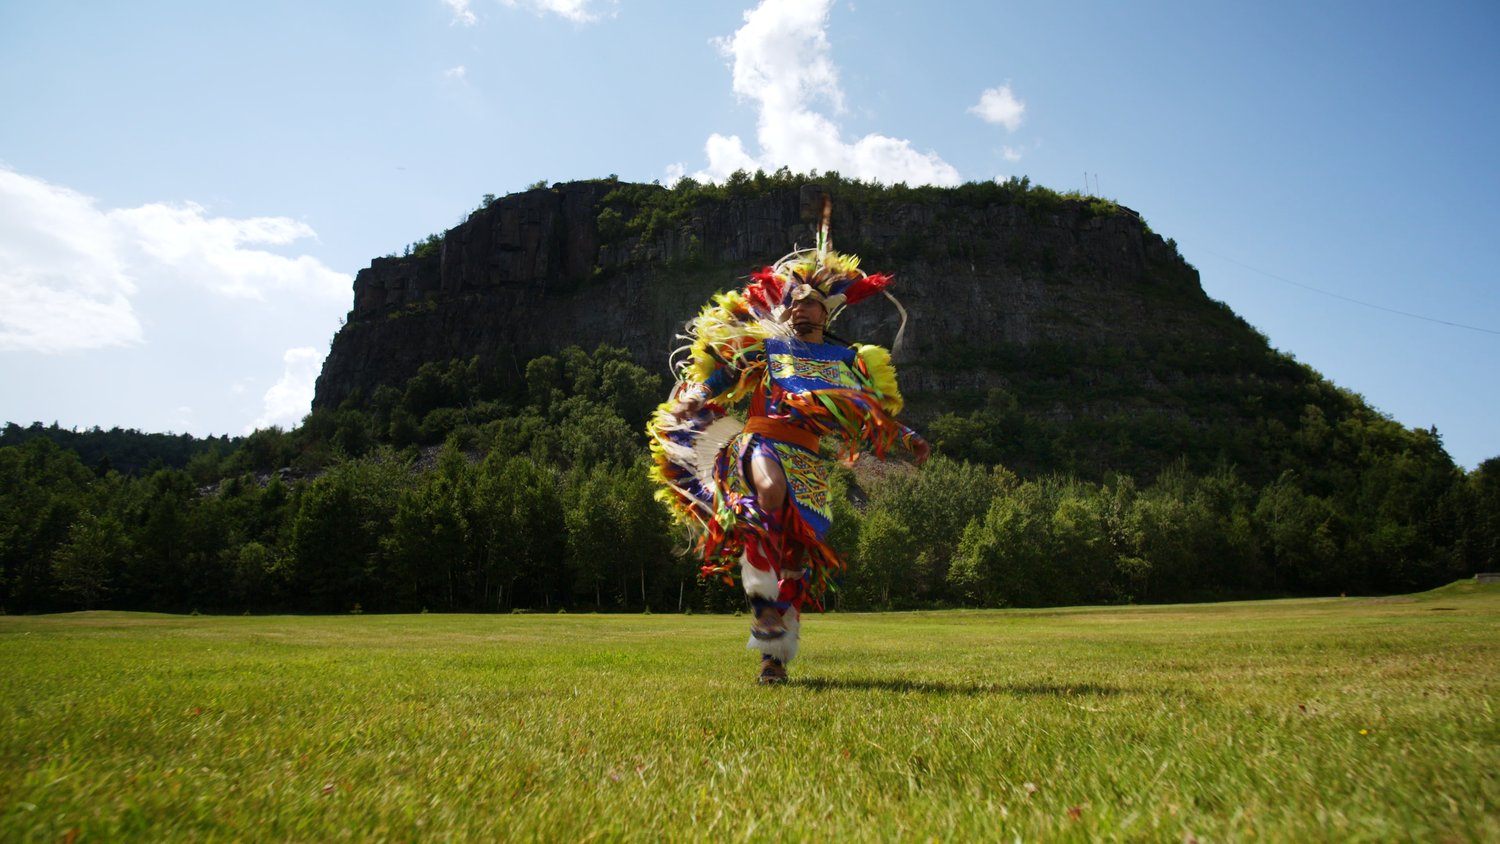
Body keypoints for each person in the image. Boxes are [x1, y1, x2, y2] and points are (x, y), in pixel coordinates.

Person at [646, 207, 928, 684]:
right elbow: (724, 377)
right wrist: (694, 398)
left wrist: (905, 436)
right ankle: (761, 600)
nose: (799, 307)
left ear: (826, 310)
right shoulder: (768, 350)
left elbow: (863, 411)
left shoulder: (848, 361)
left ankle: (773, 658)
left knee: (798, 556)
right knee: (769, 494)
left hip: (808, 459)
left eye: (809, 301)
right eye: (792, 301)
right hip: (759, 445)